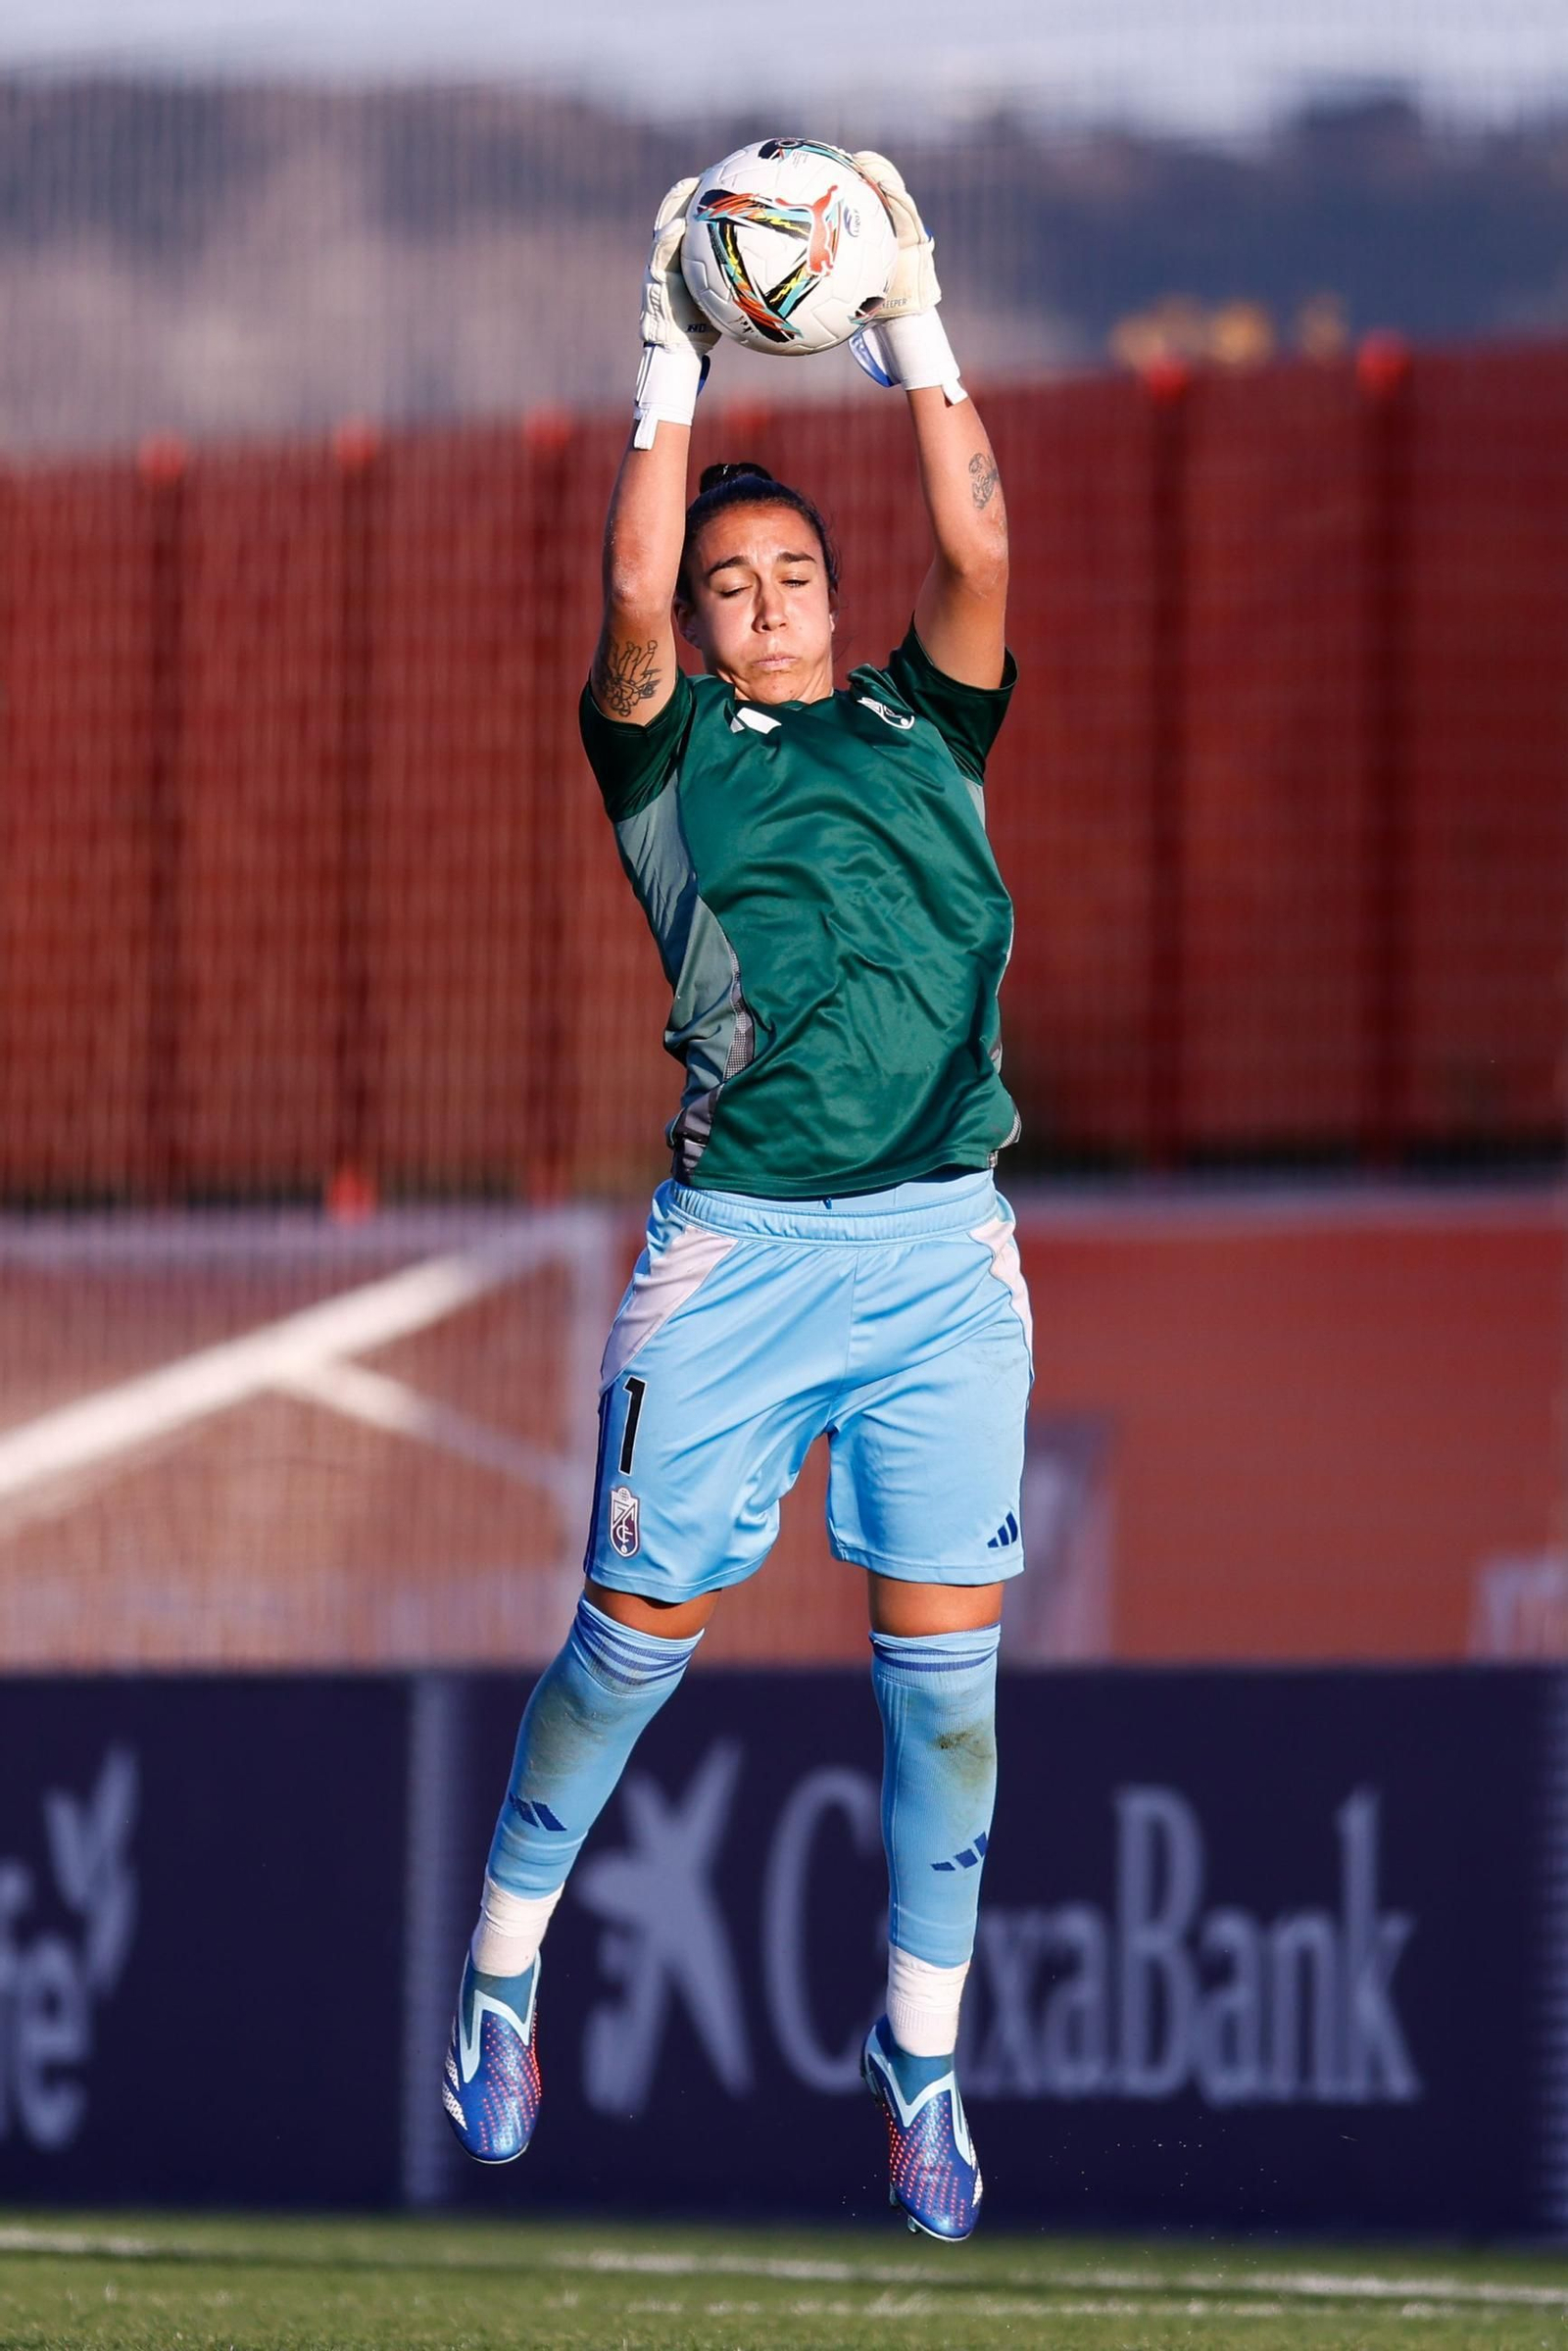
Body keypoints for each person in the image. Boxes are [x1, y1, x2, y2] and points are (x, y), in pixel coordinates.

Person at [441, 153, 1031, 2243]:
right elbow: (616, 599)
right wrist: (663, 351)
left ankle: (918, 2059)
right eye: (728, 585)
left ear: (827, 595)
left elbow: (973, 530)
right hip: (743, 1260)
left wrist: (911, 307)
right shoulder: (669, 756)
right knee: (625, 1650)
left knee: (944, 1692)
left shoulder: (919, 723)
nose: (757, 598)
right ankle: (505, 1972)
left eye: (786, 574)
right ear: (691, 629)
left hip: (944, 1250)